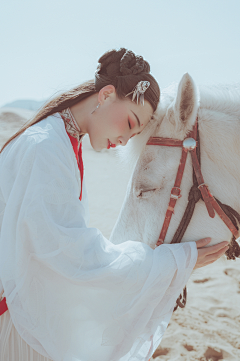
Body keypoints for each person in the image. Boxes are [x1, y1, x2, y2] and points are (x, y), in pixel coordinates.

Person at [0, 48, 229, 361]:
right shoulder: (46, 147)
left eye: (135, 133)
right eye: (131, 122)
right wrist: (174, 262)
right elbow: (68, 257)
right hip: (19, 323)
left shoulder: (60, 141)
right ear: (107, 95)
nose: (124, 140)